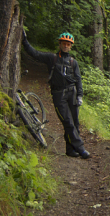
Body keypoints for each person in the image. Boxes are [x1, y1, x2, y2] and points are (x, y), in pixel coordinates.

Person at [22, 31, 90, 159]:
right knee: (68, 122)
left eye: (68, 44)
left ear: (71, 46)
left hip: (72, 94)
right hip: (59, 95)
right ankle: (81, 149)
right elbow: (35, 54)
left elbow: (78, 79)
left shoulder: (73, 62)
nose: (66, 46)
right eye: (64, 43)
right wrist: (24, 41)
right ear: (60, 44)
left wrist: (80, 96)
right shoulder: (51, 58)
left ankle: (70, 150)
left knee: (74, 123)